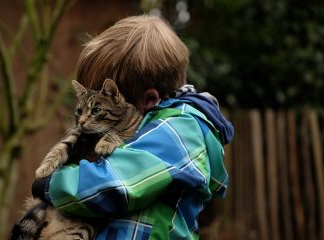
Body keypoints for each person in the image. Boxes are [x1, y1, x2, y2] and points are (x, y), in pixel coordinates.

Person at [32, 15, 234, 239]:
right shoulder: (156, 128)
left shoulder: (180, 129)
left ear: (149, 100)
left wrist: (51, 184)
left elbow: (112, 186)